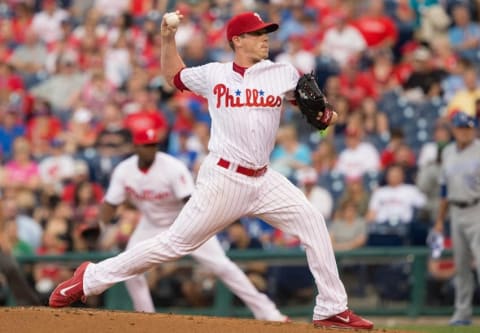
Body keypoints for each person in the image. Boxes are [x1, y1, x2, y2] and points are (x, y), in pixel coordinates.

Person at [49, 11, 373, 330]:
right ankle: (91, 278)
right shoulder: (214, 74)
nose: (265, 39)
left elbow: (315, 110)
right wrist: (167, 38)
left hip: (264, 179)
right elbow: (174, 76)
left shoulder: (283, 72)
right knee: (174, 244)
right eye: (258, 34)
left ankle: (332, 308)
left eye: (266, 33)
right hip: (224, 178)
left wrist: (325, 117)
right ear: (238, 40)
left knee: (313, 221)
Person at [94, 125, 287, 321]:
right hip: (150, 225)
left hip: (186, 222)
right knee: (129, 266)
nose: (150, 149)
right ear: (136, 147)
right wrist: (101, 226)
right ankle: (146, 317)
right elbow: (111, 203)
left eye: (153, 145)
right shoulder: (124, 170)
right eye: (145, 145)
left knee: (222, 267)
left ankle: (268, 312)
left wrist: (190, 233)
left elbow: (190, 202)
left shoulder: (172, 167)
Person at [434, 112, 480, 326]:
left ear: (474, 130)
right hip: (455, 210)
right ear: (454, 130)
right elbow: (444, 188)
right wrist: (440, 219)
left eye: (468, 128)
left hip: (477, 208)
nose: (464, 131)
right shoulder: (449, 152)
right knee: (461, 266)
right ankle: (462, 314)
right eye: (461, 128)